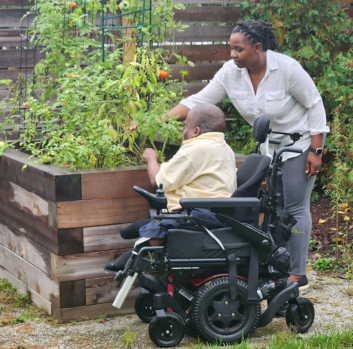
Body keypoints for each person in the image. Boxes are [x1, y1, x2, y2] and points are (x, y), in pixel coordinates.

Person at [158, 20, 330, 288]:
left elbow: (314, 103)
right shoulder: (230, 73)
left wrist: (316, 150)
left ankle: (297, 273)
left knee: (294, 207)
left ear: (258, 48)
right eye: (231, 48)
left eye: (238, 49)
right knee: (273, 208)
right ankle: (278, 268)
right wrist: (159, 120)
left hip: (299, 146)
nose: (232, 55)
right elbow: (200, 100)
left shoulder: (286, 69)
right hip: (269, 150)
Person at [105, 103, 237, 272]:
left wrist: (152, 158)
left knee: (163, 226)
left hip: (200, 212)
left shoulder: (196, 148)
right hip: (217, 213)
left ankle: (139, 252)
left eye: (186, 126)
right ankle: (143, 228)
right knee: (156, 222)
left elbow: (159, 181)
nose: (183, 130)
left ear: (196, 131)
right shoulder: (225, 149)